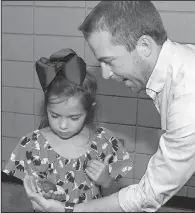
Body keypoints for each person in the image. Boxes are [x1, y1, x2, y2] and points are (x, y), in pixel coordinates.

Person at [22, 1, 195, 212]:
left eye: (109, 61)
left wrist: (70, 211)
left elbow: (147, 195)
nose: (106, 74)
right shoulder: (179, 68)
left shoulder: (187, 97)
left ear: (144, 46)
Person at [3, 48, 133, 211]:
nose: (63, 125)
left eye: (74, 118)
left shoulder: (103, 141)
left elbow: (116, 200)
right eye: (55, 115)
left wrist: (106, 181)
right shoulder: (32, 145)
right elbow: (33, 200)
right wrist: (44, 196)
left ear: (89, 110)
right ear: (46, 107)